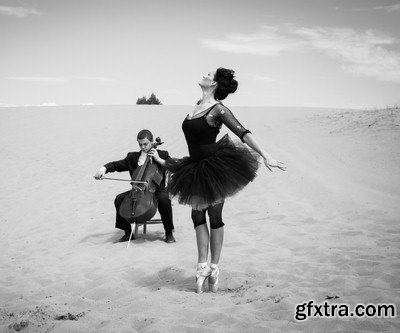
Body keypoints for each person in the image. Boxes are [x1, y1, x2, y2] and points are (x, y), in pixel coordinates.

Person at [165, 68, 286, 293]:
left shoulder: (218, 109)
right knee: (196, 214)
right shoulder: (197, 105)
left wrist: (266, 154)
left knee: (214, 215)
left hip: (215, 167)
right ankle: (202, 267)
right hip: (194, 166)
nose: (204, 74)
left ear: (214, 84)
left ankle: (214, 267)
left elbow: (242, 131)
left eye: (209, 74)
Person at [94, 129, 176, 243]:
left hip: (158, 189)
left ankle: (169, 232)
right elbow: (116, 165)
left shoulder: (162, 154)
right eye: (140, 144)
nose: (143, 147)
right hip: (139, 190)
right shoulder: (132, 157)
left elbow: (174, 167)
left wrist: (159, 159)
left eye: (146, 144)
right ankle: (128, 233)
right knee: (119, 199)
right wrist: (103, 169)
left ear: (152, 142)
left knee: (164, 200)